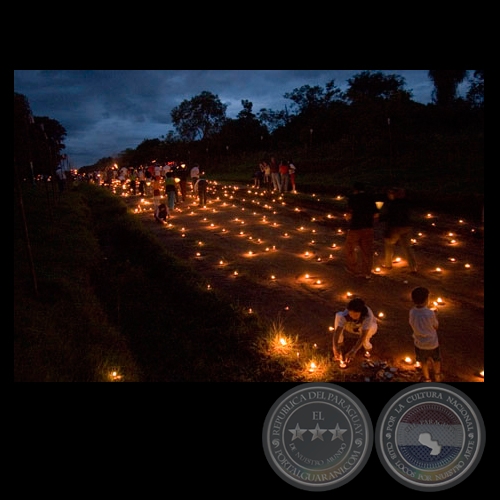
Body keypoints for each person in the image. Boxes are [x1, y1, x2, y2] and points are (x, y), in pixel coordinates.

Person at [344, 181, 380, 279]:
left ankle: (353, 269)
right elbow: (376, 214)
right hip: (368, 228)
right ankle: (367, 273)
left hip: (355, 228)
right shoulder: (371, 198)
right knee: (367, 251)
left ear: (355, 189)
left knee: (349, 249)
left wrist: (348, 219)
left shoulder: (352, 198)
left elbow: (349, 213)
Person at [381, 187, 418, 273]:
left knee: (389, 245)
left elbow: (389, 218)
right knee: (407, 247)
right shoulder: (407, 202)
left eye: (391, 193)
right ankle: (413, 267)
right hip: (407, 227)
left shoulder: (392, 204)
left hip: (395, 228)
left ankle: (388, 265)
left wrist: (387, 231)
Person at [409, 286, 442, 382]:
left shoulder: (412, 312)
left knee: (423, 362)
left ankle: (427, 378)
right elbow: (436, 326)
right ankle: (437, 376)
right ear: (426, 299)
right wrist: (435, 315)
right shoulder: (430, 313)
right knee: (436, 359)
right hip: (432, 343)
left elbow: (412, 323)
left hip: (419, 343)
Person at [332, 297, 378, 364]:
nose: (352, 316)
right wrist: (335, 347)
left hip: (364, 329)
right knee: (339, 315)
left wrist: (353, 351)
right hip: (353, 326)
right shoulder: (347, 314)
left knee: (371, 328)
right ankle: (340, 342)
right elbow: (337, 331)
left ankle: (367, 344)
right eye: (351, 314)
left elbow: (363, 336)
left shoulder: (368, 316)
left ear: (361, 313)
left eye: (356, 315)